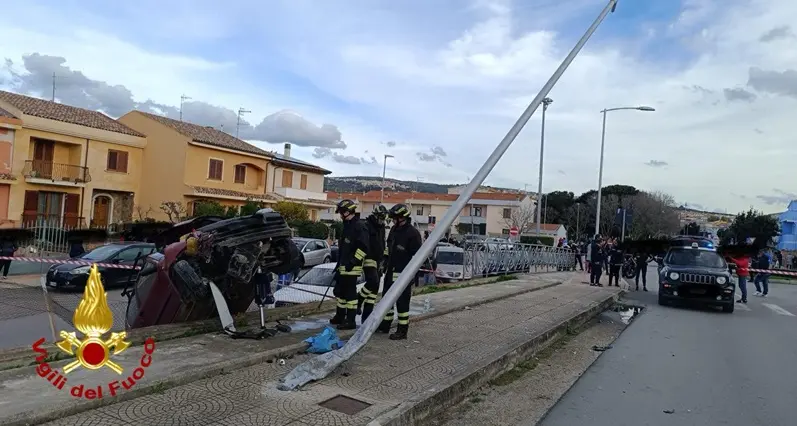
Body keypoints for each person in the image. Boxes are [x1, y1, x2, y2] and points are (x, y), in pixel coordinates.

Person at [378, 204, 422, 340]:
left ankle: (402, 330)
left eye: (394, 218)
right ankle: (385, 325)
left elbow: (418, 256)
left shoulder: (413, 233)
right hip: (390, 272)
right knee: (386, 300)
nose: (392, 221)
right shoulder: (394, 230)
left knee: (402, 304)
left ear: (401, 218)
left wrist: (413, 275)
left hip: (404, 275)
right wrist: (384, 262)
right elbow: (388, 248)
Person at [331, 199, 370, 330]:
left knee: (350, 295)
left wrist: (353, 262)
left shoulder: (359, 226)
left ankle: (351, 320)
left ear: (348, 212)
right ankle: (340, 316)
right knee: (341, 294)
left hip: (352, 267)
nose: (340, 215)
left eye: (341, 213)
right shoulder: (347, 226)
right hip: (343, 265)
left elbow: (363, 248)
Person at [357, 204, 388, 322]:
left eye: (383, 218)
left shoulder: (382, 227)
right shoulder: (367, 225)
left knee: (373, 292)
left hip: (379, 259)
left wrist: (384, 259)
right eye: (380, 217)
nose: (382, 220)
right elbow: (365, 243)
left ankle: (366, 320)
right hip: (369, 257)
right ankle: (359, 299)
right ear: (375, 215)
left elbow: (383, 244)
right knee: (373, 281)